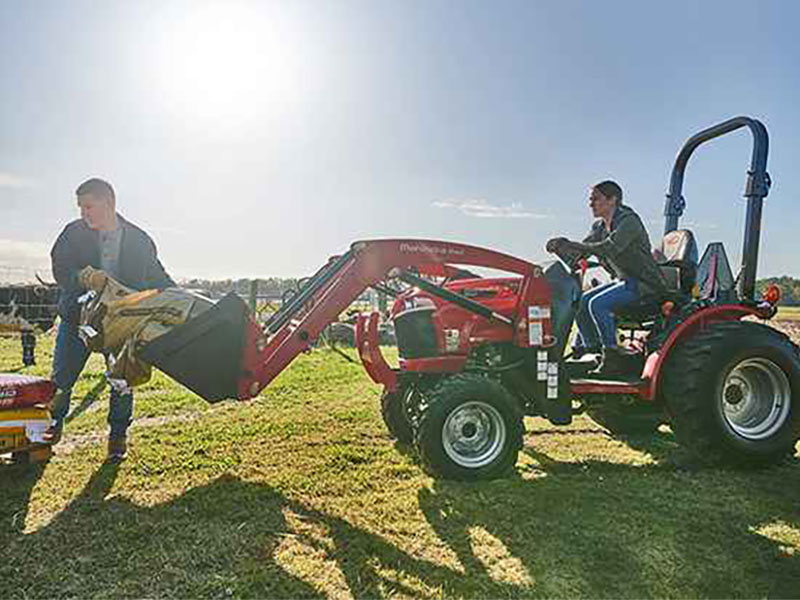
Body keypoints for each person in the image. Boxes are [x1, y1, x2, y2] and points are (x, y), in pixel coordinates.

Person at [47, 178, 175, 460]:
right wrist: (81, 276)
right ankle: (52, 424)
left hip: (121, 322)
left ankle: (118, 435)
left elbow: (157, 277)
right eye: (80, 207)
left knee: (122, 380)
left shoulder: (140, 240)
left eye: (89, 206)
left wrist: (179, 298)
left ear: (109, 202)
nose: (83, 213)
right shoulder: (73, 233)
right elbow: (60, 267)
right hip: (77, 319)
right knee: (61, 378)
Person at [546, 180, 666, 374]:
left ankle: (612, 356)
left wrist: (573, 244)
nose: (591, 204)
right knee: (582, 301)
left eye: (596, 199)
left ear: (613, 200)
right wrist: (561, 248)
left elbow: (610, 247)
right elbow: (581, 253)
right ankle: (592, 351)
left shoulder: (629, 221)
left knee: (597, 304)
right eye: (591, 199)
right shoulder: (599, 227)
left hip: (645, 284)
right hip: (624, 281)